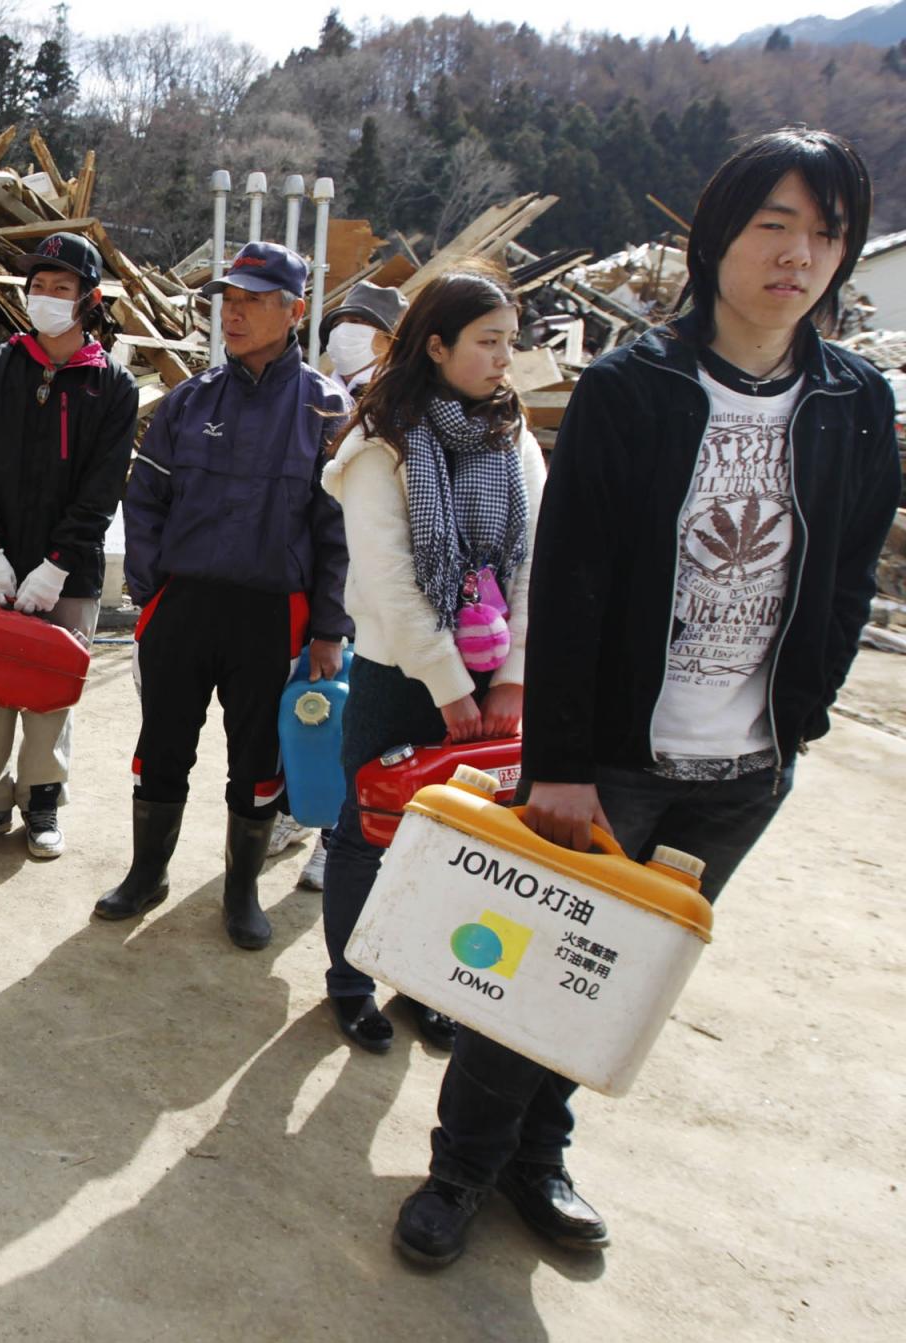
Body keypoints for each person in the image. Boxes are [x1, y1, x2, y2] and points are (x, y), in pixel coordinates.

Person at [393, 128, 900, 1269]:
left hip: (740, 769)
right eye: (772, 223)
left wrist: (800, 722)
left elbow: (849, 574)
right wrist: (559, 759)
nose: (797, 254)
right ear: (718, 235)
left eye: (824, 232)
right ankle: (459, 1167)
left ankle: (539, 1155)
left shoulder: (853, 402)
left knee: (607, 976)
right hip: (607, 759)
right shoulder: (635, 390)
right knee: (525, 964)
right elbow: (565, 588)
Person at [100, 241, 352, 949]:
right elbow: (144, 498)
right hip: (184, 605)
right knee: (162, 745)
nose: (233, 314)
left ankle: (240, 890)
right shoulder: (189, 401)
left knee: (260, 757)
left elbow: (340, 533)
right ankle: (146, 872)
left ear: (295, 310)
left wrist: (329, 627)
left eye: (252, 301)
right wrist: (151, 597)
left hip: (274, 614)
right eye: (227, 301)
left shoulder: (328, 411)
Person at [317, 267, 543, 1058]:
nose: (503, 360)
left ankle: (425, 983)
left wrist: (512, 676)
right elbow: (391, 581)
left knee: (460, 845)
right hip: (397, 675)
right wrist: (450, 686)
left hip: (493, 682)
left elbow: (530, 567)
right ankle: (350, 981)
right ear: (438, 345)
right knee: (368, 828)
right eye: (487, 342)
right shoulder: (381, 448)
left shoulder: (513, 442)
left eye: (510, 343)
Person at [0, 232, 136, 859]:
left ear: (89, 300)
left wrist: (56, 566)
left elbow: (101, 490)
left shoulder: (112, 386)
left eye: (61, 289)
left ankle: (42, 801)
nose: (45, 298)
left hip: (66, 570)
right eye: (38, 287)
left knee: (51, 686)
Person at [276, 280, 414, 891]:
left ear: (394, 340)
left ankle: (335, 833)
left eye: (366, 324)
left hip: (367, 591)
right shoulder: (323, 399)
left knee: (344, 717)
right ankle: (292, 809)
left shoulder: (401, 407)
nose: (347, 333)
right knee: (302, 707)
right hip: (312, 582)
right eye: (343, 321)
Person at [322, 281, 406, 399]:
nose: (342, 330)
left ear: (391, 339)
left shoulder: (404, 393)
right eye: (337, 324)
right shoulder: (317, 392)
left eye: (356, 321)